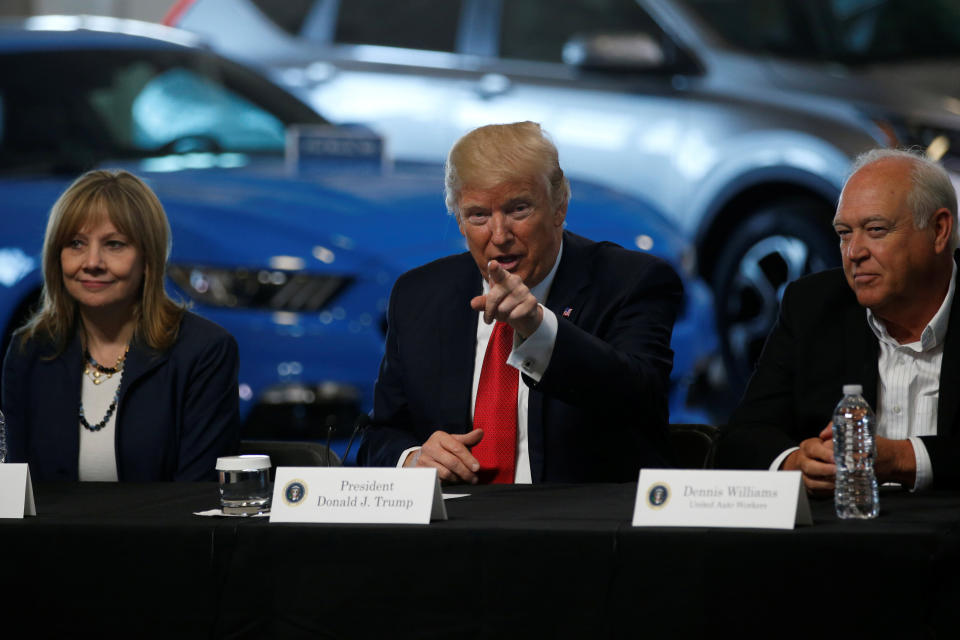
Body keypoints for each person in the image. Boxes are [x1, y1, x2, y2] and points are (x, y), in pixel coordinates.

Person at [358, 121, 682, 483]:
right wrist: (413, 459)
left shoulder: (630, 282)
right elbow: (379, 436)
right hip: (455, 529)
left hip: (580, 527)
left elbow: (640, 400)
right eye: (478, 215)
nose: (499, 235)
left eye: (518, 210)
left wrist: (538, 331)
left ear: (559, 206)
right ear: (460, 221)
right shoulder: (418, 294)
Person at [718, 148, 960, 492]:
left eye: (875, 229)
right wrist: (793, 463)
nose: (854, 252)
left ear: (938, 230)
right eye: (844, 233)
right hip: (840, 537)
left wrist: (906, 458)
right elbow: (742, 438)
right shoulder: (812, 305)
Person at [2, 169, 240, 481]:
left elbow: (198, 499)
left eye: (114, 244)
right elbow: (12, 493)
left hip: (166, 531)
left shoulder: (205, 352)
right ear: (56, 257)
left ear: (148, 259)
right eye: (75, 243)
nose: (92, 262)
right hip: (50, 532)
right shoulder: (29, 351)